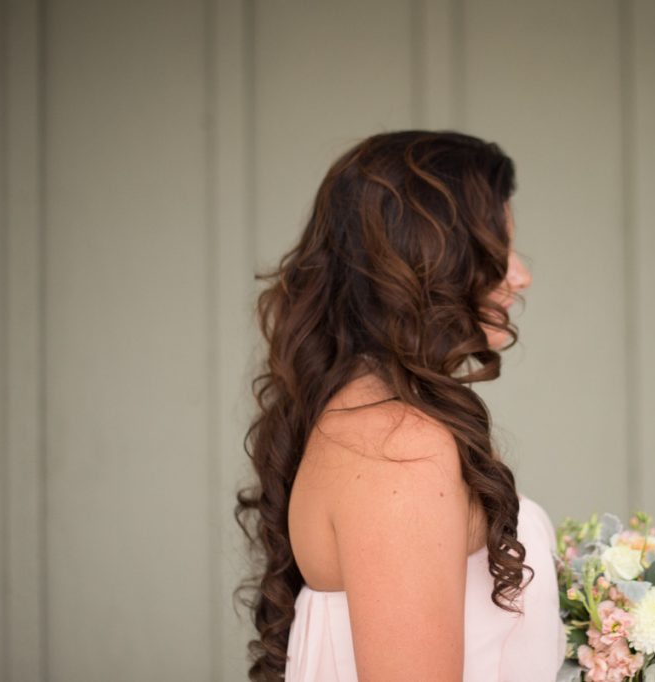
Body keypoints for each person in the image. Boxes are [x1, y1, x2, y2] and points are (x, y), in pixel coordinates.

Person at [234, 130, 567, 681]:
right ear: (432, 258)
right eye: (499, 248)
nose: (521, 275)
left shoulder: (374, 422)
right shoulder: (395, 446)